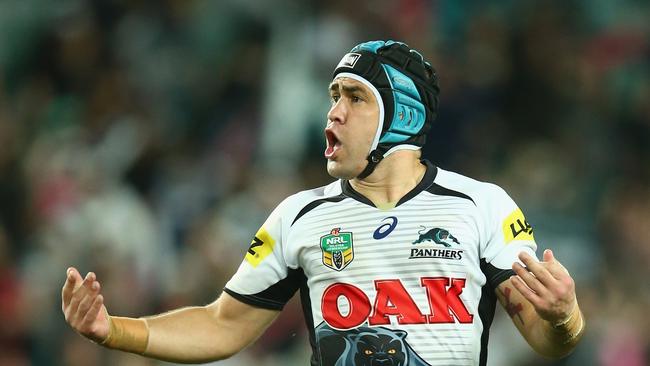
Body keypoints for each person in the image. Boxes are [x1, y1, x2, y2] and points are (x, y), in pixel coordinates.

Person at [62, 40, 585, 365]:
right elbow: (222, 326)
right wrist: (114, 331)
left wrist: (564, 318)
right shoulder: (298, 216)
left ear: (399, 114)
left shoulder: (482, 206)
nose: (332, 113)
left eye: (354, 97)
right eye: (333, 95)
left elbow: (548, 340)